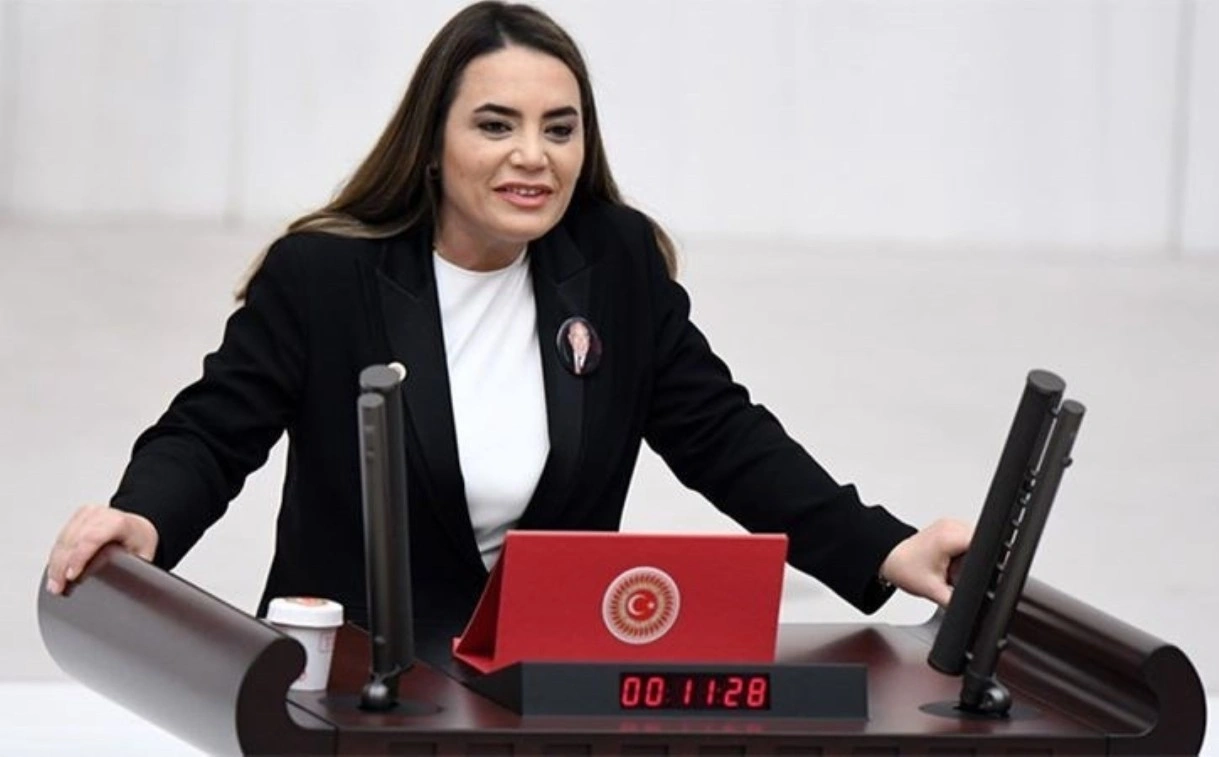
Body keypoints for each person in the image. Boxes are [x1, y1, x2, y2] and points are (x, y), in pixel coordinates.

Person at [44, 1, 971, 638]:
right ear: (434, 145)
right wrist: (142, 519)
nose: (534, 155)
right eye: (496, 125)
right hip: (353, 686)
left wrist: (887, 547)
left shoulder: (614, 265)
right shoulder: (325, 276)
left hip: (543, 680)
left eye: (559, 128)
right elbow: (211, 432)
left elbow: (724, 436)